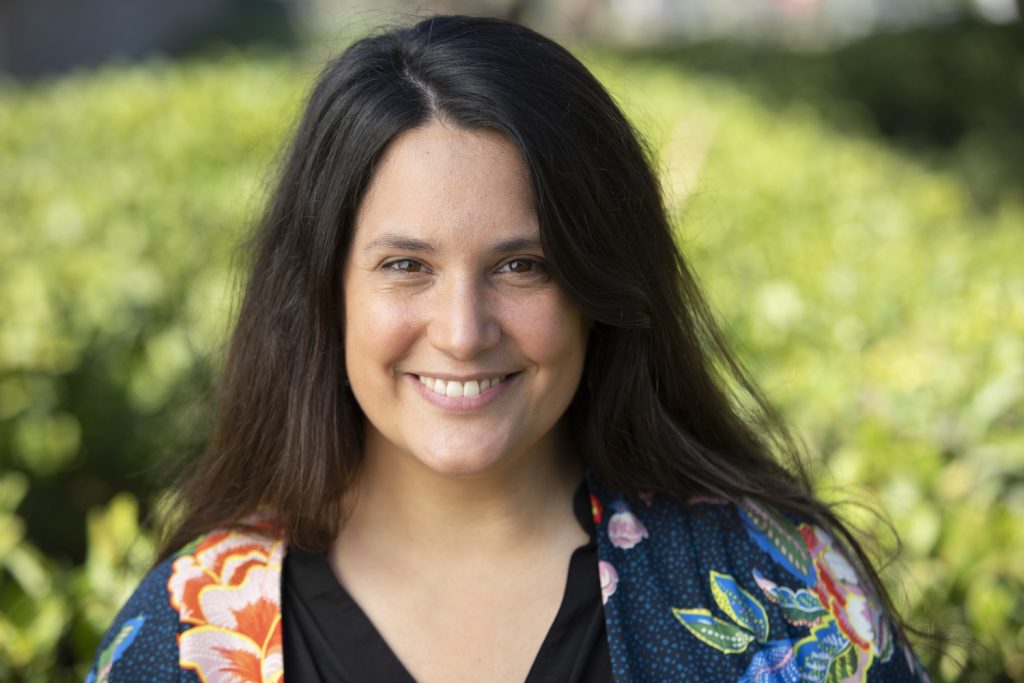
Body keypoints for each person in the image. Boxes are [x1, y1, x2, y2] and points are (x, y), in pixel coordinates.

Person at [87, 14, 931, 682]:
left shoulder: (778, 592)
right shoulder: (188, 633)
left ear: (598, 287)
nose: (462, 330)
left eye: (523, 266)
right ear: (323, 289)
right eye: (405, 265)